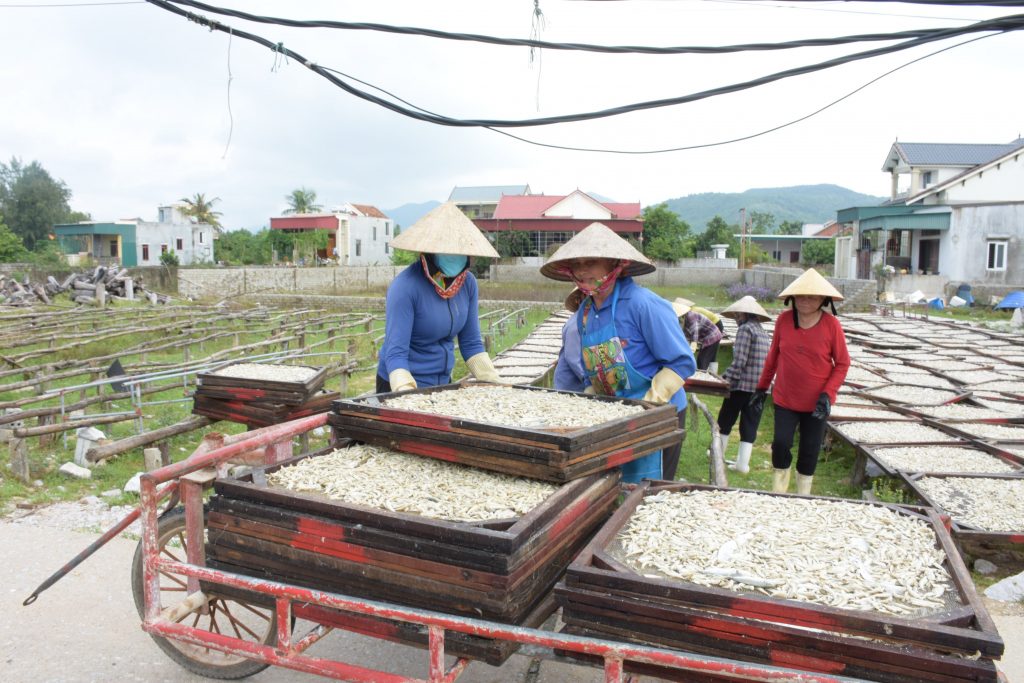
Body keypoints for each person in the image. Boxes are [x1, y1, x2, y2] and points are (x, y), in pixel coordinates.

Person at [541, 222, 696, 483]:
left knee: (647, 491)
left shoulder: (644, 305)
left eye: (591, 261)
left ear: (615, 264)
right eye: (577, 264)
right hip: (615, 416)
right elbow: (592, 368)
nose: (583, 270)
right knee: (613, 486)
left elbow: (681, 362)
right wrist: (591, 395)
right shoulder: (585, 313)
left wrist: (651, 402)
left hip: (659, 414)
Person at [376, 202, 502, 393]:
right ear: (430, 252)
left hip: (443, 382)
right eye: (447, 250)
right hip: (401, 380)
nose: (454, 255)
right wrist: (405, 392)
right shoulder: (405, 288)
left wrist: (492, 380)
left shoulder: (468, 284)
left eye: (460, 251)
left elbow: (471, 343)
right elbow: (396, 353)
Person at [751, 269, 850, 495]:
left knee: (810, 449)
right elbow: (773, 356)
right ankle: (778, 492)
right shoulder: (784, 320)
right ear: (792, 298)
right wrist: (761, 388)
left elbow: (842, 363)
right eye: (801, 296)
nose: (805, 301)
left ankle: (802, 496)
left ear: (823, 300)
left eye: (812, 297)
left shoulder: (831, 325)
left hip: (816, 402)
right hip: (786, 398)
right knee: (781, 444)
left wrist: (828, 394)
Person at [714, 296, 772, 474]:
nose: (736, 318)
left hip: (743, 385)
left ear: (745, 314)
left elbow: (740, 362)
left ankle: (718, 456)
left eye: (738, 314)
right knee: (750, 424)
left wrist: (723, 379)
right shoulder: (762, 331)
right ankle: (742, 465)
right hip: (761, 387)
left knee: (725, 420)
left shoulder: (745, 330)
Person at [671, 299, 724, 371]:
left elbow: (694, 332)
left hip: (713, 335)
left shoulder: (691, 315)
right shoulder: (682, 319)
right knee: (709, 357)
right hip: (706, 335)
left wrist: (692, 348)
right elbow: (684, 335)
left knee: (702, 359)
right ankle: (712, 375)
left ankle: (702, 378)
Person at [554, 288, 588, 392]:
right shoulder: (576, 325)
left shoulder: (588, 320)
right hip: (571, 385)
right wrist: (592, 382)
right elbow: (573, 358)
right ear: (580, 299)